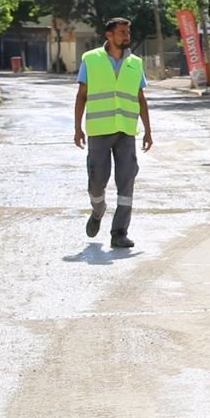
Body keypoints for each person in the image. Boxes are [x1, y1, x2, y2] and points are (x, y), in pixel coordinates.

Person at [73, 17, 153, 250]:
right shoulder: (91, 59)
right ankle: (97, 211)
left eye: (128, 32)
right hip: (99, 131)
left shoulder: (135, 63)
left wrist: (148, 130)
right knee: (97, 181)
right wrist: (77, 127)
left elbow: (140, 98)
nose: (126, 36)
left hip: (126, 130)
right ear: (109, 35)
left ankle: (119, 232)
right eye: (122, 32)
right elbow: (81, 96)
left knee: (126, 181)